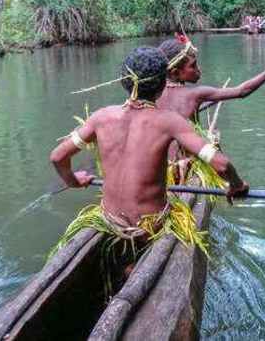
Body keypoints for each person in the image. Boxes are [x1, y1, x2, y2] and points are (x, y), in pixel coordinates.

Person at [49, 46, 249, 263]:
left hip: (109, 222)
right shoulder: (169, 121)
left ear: (124, 81)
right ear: (163, 84)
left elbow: (58, 157)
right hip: (151, 227)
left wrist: (74, 181)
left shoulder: (100, 117)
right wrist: (237, 185)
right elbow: (221, 164)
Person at [157, 33, 265, 122]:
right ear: (175, 73)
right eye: (193, 66)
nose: (199, 70)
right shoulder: (195, 94)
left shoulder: (151, 95)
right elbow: (241, 91)